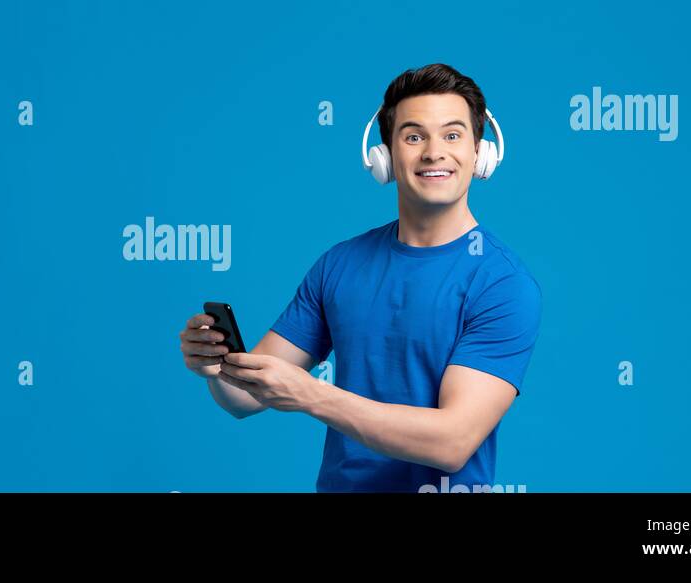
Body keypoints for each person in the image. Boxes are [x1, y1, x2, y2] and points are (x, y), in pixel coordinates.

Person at [178, 63, 542, 492]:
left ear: (480, 153)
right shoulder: (340, 265)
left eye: (452, 135)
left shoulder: (503, 284)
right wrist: (217, 367)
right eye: (413, 136)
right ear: (384, 155)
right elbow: (245, 398)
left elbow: (452, 442)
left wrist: (313, 396)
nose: (433, 152)